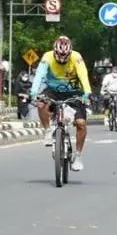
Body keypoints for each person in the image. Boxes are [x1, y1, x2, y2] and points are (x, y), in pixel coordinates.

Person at [30, 36, 92, 171]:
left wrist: (87, 93)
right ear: (54, 52)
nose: (62, 60)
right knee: (41, 102)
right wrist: (34, 92)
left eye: (65, 57)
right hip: (53, 91)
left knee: (81, 123)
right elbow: (39, 75)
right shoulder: (47, 57)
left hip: (74, 92)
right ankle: (48, 130)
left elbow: (83, 75)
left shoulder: (76, 57)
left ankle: (78, 156)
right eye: (59, 56)